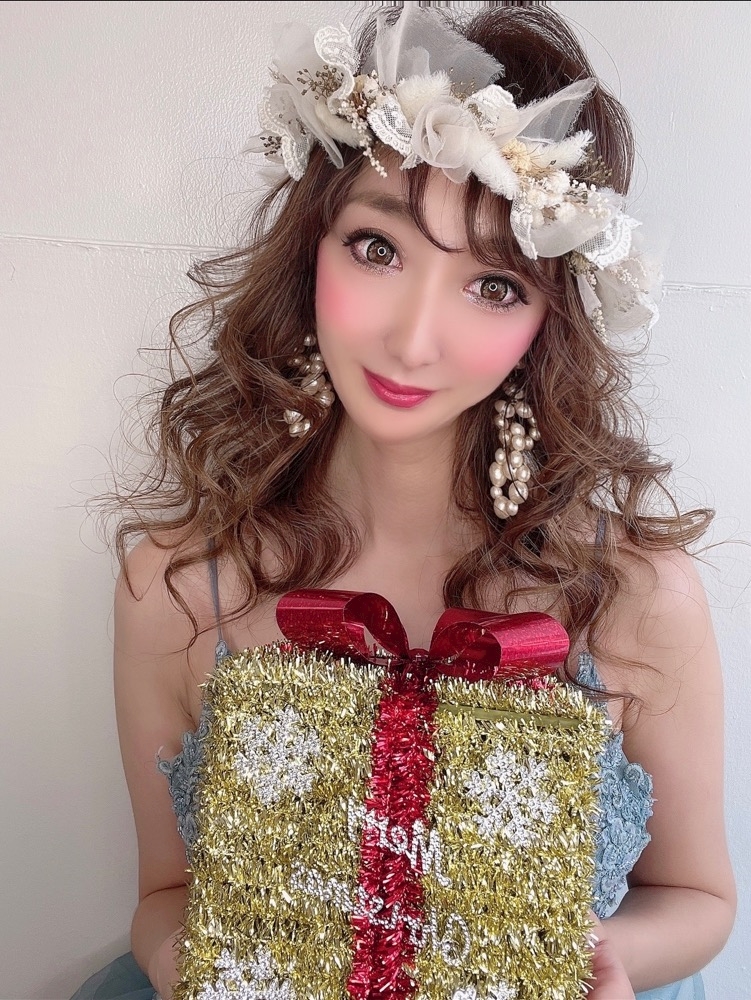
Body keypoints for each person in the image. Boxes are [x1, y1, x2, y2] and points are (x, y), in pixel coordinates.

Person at [71, 3, 735, 999]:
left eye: (494, 286)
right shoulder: (175, 587)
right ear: (313, 247)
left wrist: (610, 959)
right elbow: (166, 893)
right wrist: (192, 968)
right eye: (378, 248)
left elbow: (699, 895)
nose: (413, 339)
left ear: (546, 323)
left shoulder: (636, 595)